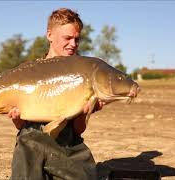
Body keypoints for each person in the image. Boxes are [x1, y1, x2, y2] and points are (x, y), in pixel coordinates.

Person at [9, 8, 104, 180]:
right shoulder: (30, 71)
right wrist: (16, 116)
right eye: (67, 38)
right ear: (49, 35)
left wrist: (85, 112)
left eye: (77, 39)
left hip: (67, 144)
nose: (73, 44)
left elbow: (78, 130)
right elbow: (20, 126)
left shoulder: (81, 73)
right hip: (31, 143)